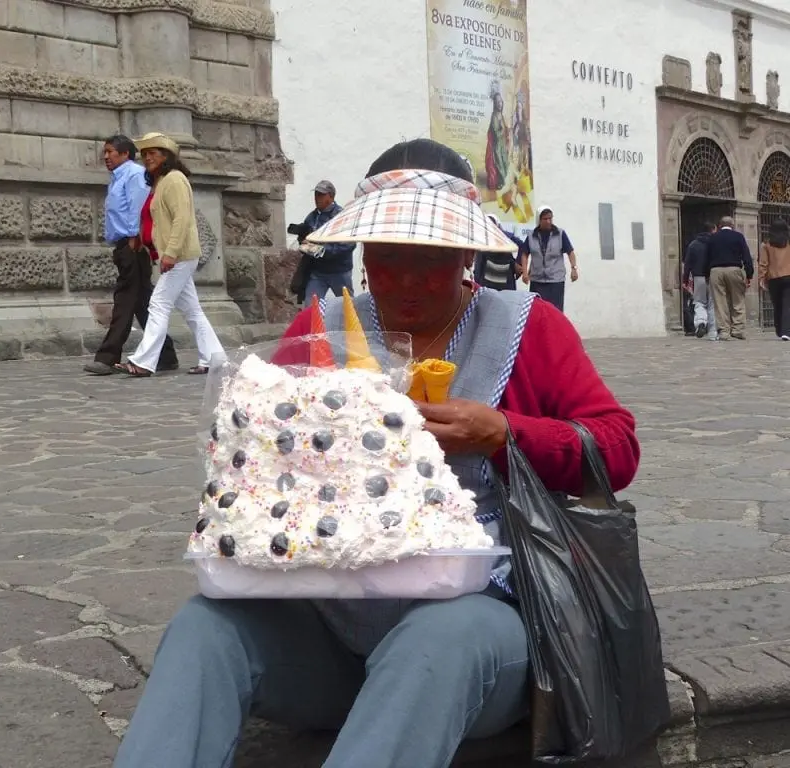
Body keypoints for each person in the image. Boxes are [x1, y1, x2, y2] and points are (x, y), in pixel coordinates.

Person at [112, 138, 640, 768]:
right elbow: (252, 455)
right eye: (389, 259)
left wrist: (505, 433)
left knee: (437, 641)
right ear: (363, 255)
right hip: (331, 637)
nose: (409, 281)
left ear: (467, 252)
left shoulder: (528, 328)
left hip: (475, 636)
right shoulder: (323, 330)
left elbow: (617, 447)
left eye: (432, 261)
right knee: (205, 628)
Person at [113, 132, 226, 377]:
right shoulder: (161, 181)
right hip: (176, 254)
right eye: (145, 154)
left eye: (153, 153)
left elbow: (182, 219)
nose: (148, 158)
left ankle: (144, 362)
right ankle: (214, 358)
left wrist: (171, 253)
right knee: (192, 310)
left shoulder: (174, 179)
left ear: (166, 156)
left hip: (180, 254)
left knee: (158, 303)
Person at [84, 135, 178, 375]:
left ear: (125, 154)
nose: (105, 157)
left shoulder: (134, 175)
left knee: (125, 300)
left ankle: (107, 356)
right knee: (142, 303)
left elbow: (140, 209)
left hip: (134, 246)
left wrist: (137, 239)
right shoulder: (118, 178)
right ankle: (165, 354)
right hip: (125, 245)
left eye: (110, 152)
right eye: (104, 152)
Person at [297, 180, 357, 302]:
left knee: (348, 308)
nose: (316, 198)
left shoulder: (342, 216)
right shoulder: (312, 217)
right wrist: (303, 242)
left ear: (330, 196)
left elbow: (349, 244)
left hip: (340, 272)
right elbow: (306, 239)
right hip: (318, 272)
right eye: (316, 194)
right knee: (311, 308)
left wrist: (322, 250)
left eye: (320, 195)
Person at [518, 206, 578, 312]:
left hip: (555, 281)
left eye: (550, 218)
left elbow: (570, 252)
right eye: (545, 219)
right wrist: (525, 273)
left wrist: (574, 268)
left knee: (555, 311)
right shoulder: (531, 236)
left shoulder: (560, 234)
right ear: (539, 220)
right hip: (537, 281)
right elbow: (524, 254)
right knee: (538, 311)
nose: (548, 221)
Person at [706, 215, 754, 341]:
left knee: (720, 302)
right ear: (732, 226)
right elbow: (747, 256)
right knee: (737, 300)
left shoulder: (713, 237)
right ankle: (737, 329)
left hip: (716, 270)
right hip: (734, 269)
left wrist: (707, 274)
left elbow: (707, 257)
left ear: (720, 225)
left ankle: (723, 331)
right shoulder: (738, 236)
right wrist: (749, 274)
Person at [682, 222, 718, 340]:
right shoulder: (714, 243)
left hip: (698, 277)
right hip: (712, 276)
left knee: (699, 302)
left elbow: (687, 264)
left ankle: (701, 322)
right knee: (713, 304)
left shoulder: (693, 244)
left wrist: (685, 279)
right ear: (713, 229)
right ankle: (712, 331)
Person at [473, 212, 524, 291]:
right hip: (492, 279)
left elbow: (522, 245)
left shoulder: (505, 235)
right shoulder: (483, 238)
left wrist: (518, 263)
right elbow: (479, 263)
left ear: (497, 226)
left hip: (502, 278)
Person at [759, 218, 790, 340]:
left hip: (774, 278)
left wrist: (762, 278)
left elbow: (763, 263)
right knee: (787, 305)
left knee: (777, 305)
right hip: (789, 277)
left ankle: (779, 330)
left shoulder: (767, 245)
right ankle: (786, 331)